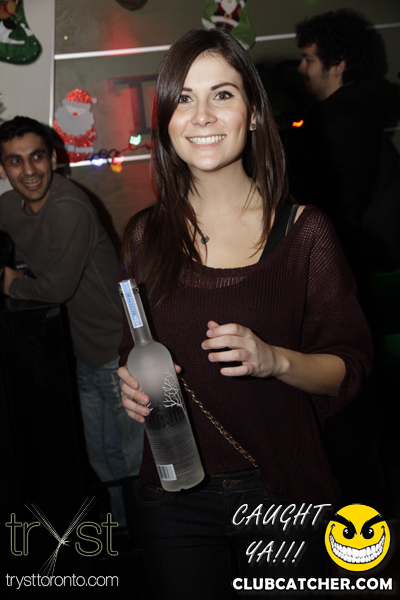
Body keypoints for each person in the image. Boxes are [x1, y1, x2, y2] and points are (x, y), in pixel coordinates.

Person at [118, 29, 372, 599]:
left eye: (223, 94)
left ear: (254, 113)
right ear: (166, 119)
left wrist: (274, 359)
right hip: (173, 498)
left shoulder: (305, 233)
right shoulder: (143, 235)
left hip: (281, 493)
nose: (202, 116)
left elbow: (348, 368)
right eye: (184, 98)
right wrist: (128, 383)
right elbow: (132, 345)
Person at [0, 116, 143, 526]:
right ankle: (126, 537)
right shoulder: (10, 206)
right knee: (104, 462)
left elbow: (56, 289)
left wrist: (12, 282)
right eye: (15, 161)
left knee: (134, 464)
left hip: (119, 352)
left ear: (53, 159)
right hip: (85, 353)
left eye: (36, 157)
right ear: (3, 168)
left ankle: (151, 545)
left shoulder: (68, 207)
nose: (28, 170)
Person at [290, 8, 399, 274]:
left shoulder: (339, 124)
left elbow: (331, 208)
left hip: (347, 260)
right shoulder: (357, 109)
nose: (301, 68)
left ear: (339, 65)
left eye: (308, 60)